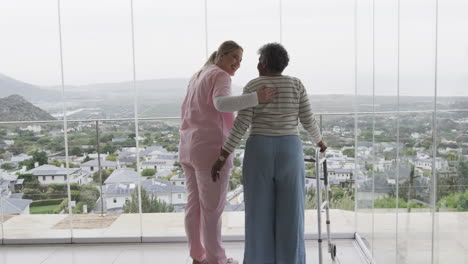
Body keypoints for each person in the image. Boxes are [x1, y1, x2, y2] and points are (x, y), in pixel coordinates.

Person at [211, 43, 327, 264]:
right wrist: (319, 141)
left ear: (263, 64)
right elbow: (308, 120)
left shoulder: (254, 85)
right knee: (292, 214)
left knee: (257, 213)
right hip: (290, 151)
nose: (256, 64)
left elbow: (241, 125)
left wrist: (222, 156)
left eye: (258, 60)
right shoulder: (296, 85)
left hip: (259, 151)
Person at [179, 40, 277, 264]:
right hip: (209, 150)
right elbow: (221, 104)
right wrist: (257, 98)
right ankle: (216, 260)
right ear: (221, 55)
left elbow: (184, 111)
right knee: (212, 210)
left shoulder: (198, 75)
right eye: (234, 57)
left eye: (241, 60)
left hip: (188, 147)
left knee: (193, 207)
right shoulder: (220, 76)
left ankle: (198, 256)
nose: (237, 63)